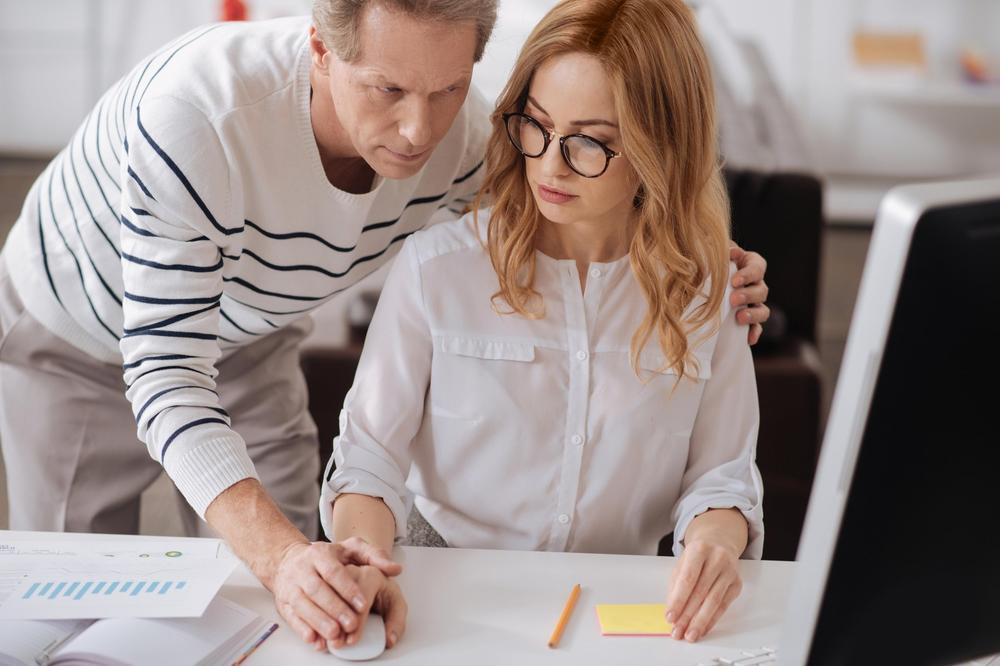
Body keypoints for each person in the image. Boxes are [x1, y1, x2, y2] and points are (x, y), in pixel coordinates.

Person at [0, 0, 770, 652]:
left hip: (253, 335)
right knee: (73, 621)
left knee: (285, 616)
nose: (415, 131)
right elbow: (166, 374)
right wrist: (280, 556)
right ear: (321, 50)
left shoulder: (470, 141)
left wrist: (703, 261)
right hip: (78, 337)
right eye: (388, 89)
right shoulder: (198, 117)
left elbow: (578, 234)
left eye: (447, 89)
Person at [320, 0, 764, 652]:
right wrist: (360, 557)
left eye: (589, 142)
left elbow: (722, 478)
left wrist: (716, 545)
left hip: (616, 607)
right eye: (538, 125)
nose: (550, 165)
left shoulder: (708, 292)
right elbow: (366, 460)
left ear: (659, 146)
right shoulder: (438, 270)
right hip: (441, 591)